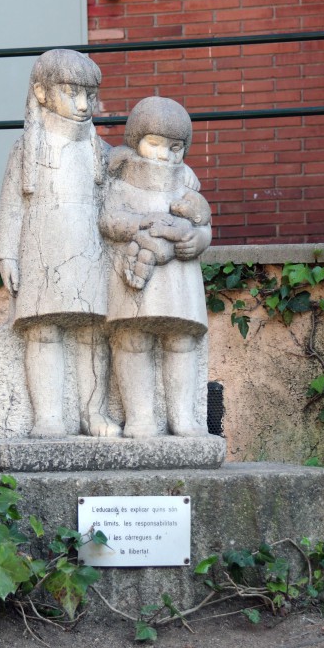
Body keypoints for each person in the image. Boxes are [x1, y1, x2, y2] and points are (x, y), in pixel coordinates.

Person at [0, 49, 121, 438]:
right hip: (40, 249)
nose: (84, 105)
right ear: (42, 92)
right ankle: (47, 415)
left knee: (93, 331)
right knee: (43, 331)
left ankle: (92, 412)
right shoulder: (26, 149)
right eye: (71, 92)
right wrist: (7, 253)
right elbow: (11, 205)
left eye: (90, 94)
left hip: (90, 250)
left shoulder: (102, 152)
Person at [99, 96, 211, 439]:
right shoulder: (121, 181)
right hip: (134, 277)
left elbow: (203, 223)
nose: (165, 155)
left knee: (181, 342)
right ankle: (141, 417)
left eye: (175, 147)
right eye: (155, 144)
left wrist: (198, 239)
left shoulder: (188, 185)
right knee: (132, 341)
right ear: (136, 141)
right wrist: (144, 222)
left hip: (179, 280)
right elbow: (109, 220)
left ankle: (183, 418)